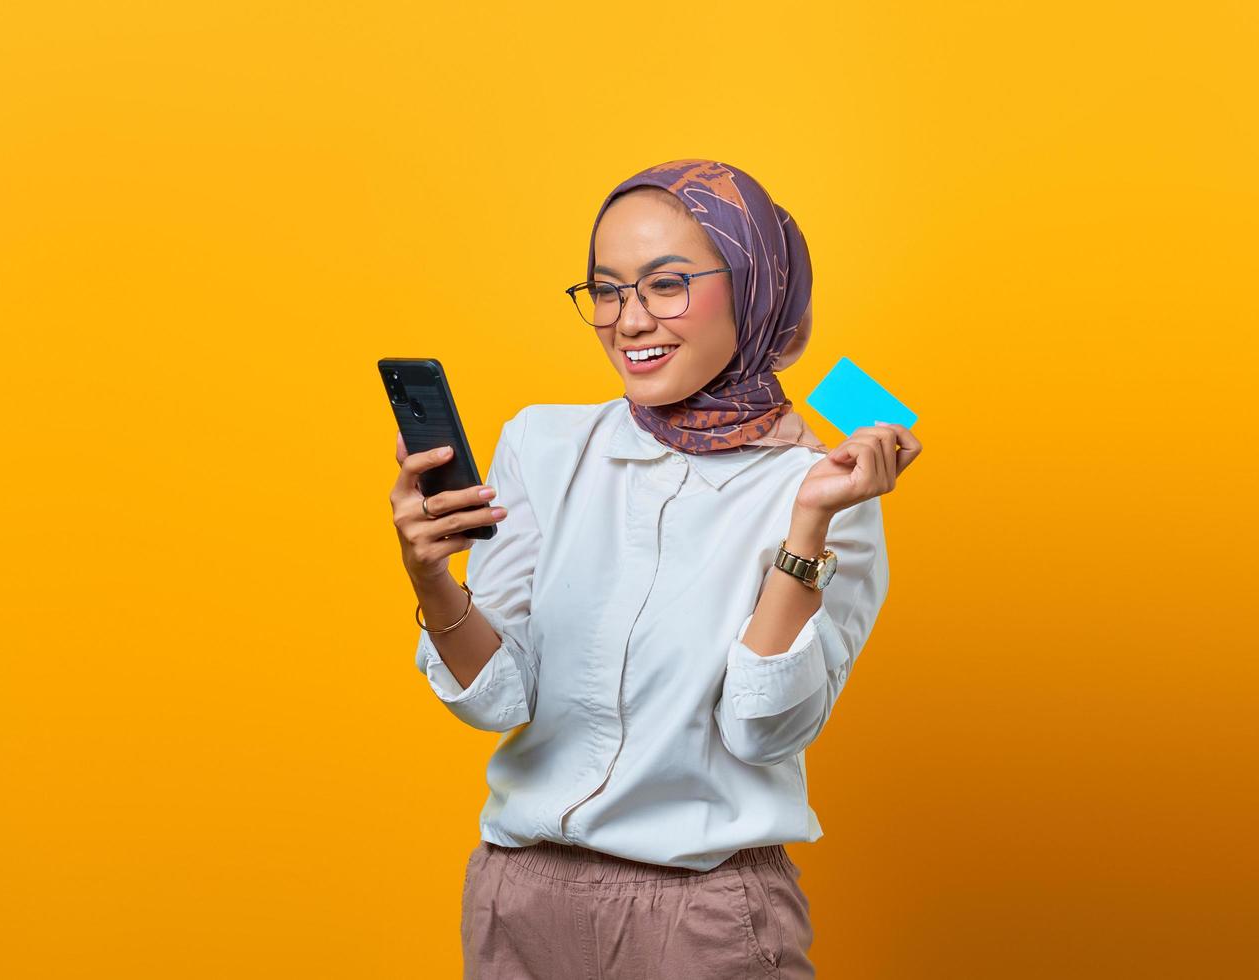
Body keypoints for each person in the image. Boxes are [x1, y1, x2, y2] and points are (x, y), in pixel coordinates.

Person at [390, 159, 922, 978]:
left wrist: (809, 525)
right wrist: (431, 579)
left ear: (751, 286)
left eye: (666, 284)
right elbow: (499, 700)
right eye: (606, 290)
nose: (628, 321)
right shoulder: (542, 442)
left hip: (701, 913)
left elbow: (763, 727)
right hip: (517, 899)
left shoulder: (820, 482)